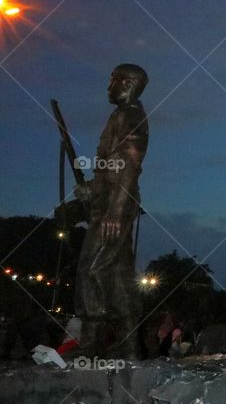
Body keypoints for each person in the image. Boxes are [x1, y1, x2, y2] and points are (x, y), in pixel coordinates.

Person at [58, 63, 149, 359]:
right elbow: (112, 169)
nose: (108, 86)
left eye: (113, 80)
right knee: (118, 273)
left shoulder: (128, 115)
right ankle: (129, 346)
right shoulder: (123, 115)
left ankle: (90, 344)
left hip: (115, 205)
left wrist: (114, 211)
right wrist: (93, 189)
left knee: (91, 269)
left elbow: (129, 165)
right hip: (111, 200)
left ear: (128, 83)